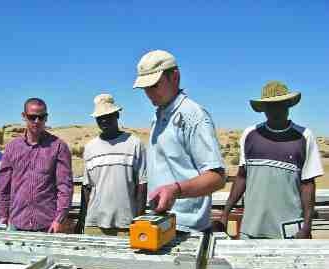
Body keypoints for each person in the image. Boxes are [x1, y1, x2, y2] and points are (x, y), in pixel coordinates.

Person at [133, 50, 225, 233]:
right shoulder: (159, 116)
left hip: (188, 230)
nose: (149, 93)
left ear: (175, 77)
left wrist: (176, 190)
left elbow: (217, 178)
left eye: (155, 85)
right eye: (146, 88)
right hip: (162, 222)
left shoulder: (193, 116)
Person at [221, 81, 324, 239]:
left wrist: (307, 227)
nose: (276, 110)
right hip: (251, 227)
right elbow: (242, 176)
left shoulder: (304, 136)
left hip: (290, 230)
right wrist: (225, 213)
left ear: (289, 105)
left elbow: (308, 184)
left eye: (281, 104)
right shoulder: (250, 134)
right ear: (263, 109)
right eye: (271, 105)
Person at [0, 97, 73, 233]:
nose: (37, 121)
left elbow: (64, 187)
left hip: (47, 224)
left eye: (41, 117)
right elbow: (3, 186)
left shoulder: (58, 146)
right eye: (32, 117)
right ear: (24, 116)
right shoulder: (12, 147)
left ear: (46, 118)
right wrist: (3, 216)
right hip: (16, 222)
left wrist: (59, 219)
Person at [82, 94, 147, 236]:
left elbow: (142, 185)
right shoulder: (90, 148)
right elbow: (87, 187)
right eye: (100, 117)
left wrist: (139, 221)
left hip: (127, 224)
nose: (104, 120)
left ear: (117, 115)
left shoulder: (134, 144)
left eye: (108, 115)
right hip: (94, 224)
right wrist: (87, 216)